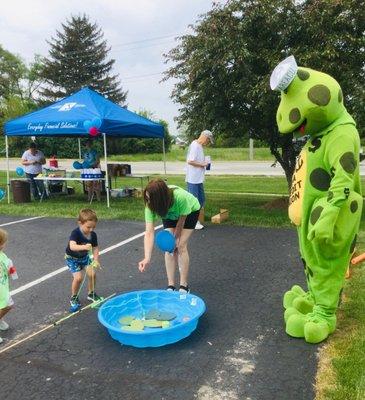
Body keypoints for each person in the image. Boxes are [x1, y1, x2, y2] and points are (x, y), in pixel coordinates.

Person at [138, 179, 201, 293]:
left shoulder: (180, 198)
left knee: (180, 245)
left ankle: (184, 285)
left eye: (150, 198)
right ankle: (170, 285)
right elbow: (149, 233)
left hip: (190, 212)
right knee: (169, 247)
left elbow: (180, 223)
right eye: (147, 198)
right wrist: (147, 257)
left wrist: (175, 238)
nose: (148, 201)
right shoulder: (151, 205)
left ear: (160, 199)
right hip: (167, 212)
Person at [65, 209, 101, 310]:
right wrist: (84, 247)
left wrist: (96, 259)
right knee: (78, 278)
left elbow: (95, 248)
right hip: (72, 259)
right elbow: (72, 246)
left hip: (85, 258)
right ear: (80, 223)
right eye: (88, 227)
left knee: (92, 274)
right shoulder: (75, 233)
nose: (91, 230)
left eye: (93, 227)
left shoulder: (93, 235)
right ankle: (74, 297)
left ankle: (91, 293)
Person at [185, 129, 214, 229]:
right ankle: (192, 222)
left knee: (201, 200)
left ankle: (192, 219)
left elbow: (196, 160)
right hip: (193, 179)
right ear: (205, 137)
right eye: (208, 140)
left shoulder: (199, 146)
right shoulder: (195, 145)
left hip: (198, 179)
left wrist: (205, 161)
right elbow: (190, 161)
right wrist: (203, 164)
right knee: (194, 202)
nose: (208, 143)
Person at [0, 229, 14, 344]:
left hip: (2, 287)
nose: (5, 244)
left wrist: (10, 268)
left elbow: (9, 271)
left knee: (7, 305)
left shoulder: (3, 255)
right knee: (7, 305)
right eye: (4, 242)